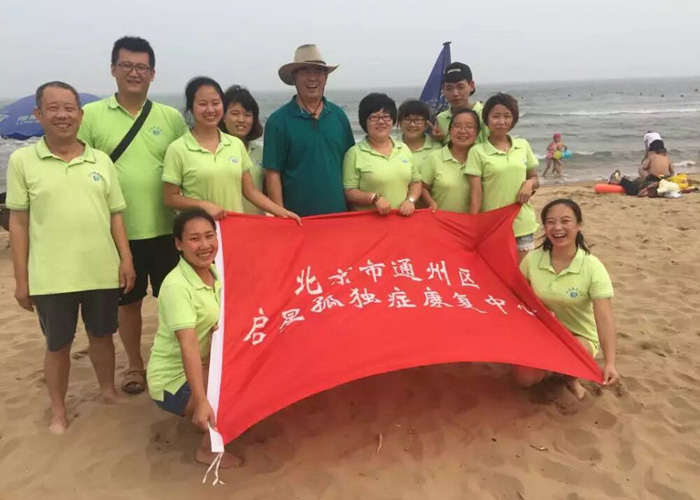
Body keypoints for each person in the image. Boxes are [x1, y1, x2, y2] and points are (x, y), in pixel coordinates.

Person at [7, 82, 136, 433]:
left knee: (102, 335)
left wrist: (126, 259)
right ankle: (58, 410)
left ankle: (108, 391)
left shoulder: (101, 160)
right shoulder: (22, 161)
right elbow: (18, 222)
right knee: (58, 345)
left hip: (100, 269)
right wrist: (21, 278)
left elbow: (116, 215)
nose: (62, 115)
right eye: (53, 108)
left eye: (69, 108)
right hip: (51, 275)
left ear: (80, 115)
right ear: (39, 115)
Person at [79, 36, 187, 395]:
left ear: (153, 74)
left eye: (142, 67)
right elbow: (77, 167)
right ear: (113, 70)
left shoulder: (170, 118)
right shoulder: (91, 116)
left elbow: (189, 164)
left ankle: (174, 362)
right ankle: (135, 366)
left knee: (176, 302)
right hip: (119, 232)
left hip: (167, 228)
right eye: (126, 65)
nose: (134, 73)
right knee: (129, 303)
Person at [147, 208, 240, 469]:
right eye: (194, 238)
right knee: (230, 397)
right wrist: (201, 400)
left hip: (203, 363)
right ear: (178, 244)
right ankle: (207, 449)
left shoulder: (215, 272)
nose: (204, 245)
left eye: (210, 236)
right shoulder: (177, 286)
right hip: (172, 379)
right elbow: (187, 347)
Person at [516, 199, 620, 399]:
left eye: (565, 221)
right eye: (550, 222)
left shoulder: (592, 267)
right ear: (544, 226)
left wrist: (609, 363)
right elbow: (519, 296)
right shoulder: (532, 259)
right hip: (543, 332)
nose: (557, 228)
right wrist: (540, 310)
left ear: (578, 225)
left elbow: (604, 319)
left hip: (580, 337)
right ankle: (552, 369)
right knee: (524, 379)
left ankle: (570, 378)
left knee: (570, 354)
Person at [162, 77, 300, 222]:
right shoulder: (177, 149)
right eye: (202, 104)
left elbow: (250, 191)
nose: (210, 109)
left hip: (234, 229)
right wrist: (202, 205)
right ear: (191, 108)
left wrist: (282, 212)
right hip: (201, 234)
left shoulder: (235, 144)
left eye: (215, 103)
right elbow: (170, 198)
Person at [264, 44, 355, 216]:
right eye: (305, 71)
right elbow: (273, 173)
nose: (312, 78)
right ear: (294, 77)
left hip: (340, 217)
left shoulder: (338, 116)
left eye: (318, 71)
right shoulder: (278, 121)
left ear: (326, 77)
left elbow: (350, 164)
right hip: (297, 220)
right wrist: (281, 213)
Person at [464, 93, 540, 262]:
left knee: (522, 276)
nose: (501, 121)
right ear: (487, 119)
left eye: (507, 116)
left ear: (514, 119)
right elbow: (476, 194)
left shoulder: (523, 145)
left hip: (522, 222)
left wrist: (529, 183)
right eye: (496, 116)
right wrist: (473, 227)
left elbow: (535, 178)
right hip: (492, 226)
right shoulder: (478, 151)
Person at [343, 93, 422, 216]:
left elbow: (416, 182)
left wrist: (410, 200)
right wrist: (374, 198)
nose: (381, 122)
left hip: (402, 220)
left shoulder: (403, 148)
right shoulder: (354, 153)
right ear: (364, 121)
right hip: (369, 224)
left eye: (386, 116)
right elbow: (349, 192)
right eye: (374, 117)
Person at [421, 108, 480, 213]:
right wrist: (431, 202)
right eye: (457, 126)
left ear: (477, 132)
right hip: (442, 222)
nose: (462, 131)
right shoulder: (435, 157)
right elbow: (423, 187)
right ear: (449, 130)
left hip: (474, 223)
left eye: (469, 127)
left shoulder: (482, 157)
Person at [219, 85, 265, 215]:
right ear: (223, 116)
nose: (241, 120)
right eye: (235, 113)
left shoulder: (261, 152)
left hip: (256, 224)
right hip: (223, 225)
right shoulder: (213, 151)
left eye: (247, 115)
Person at [432, 62, 488, 145]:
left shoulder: (485, 115)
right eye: (449, 88)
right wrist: (437, 141)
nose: (455, 93)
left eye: (460, 87)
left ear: (471, 86)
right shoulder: (440, 119)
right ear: (443, 89)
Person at [397, 99, 441, 171]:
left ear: (426, 124)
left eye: (417, 120)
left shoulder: (436, 148)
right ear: (400, 123)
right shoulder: (391, 146)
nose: (412, 124)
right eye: (407, 119)